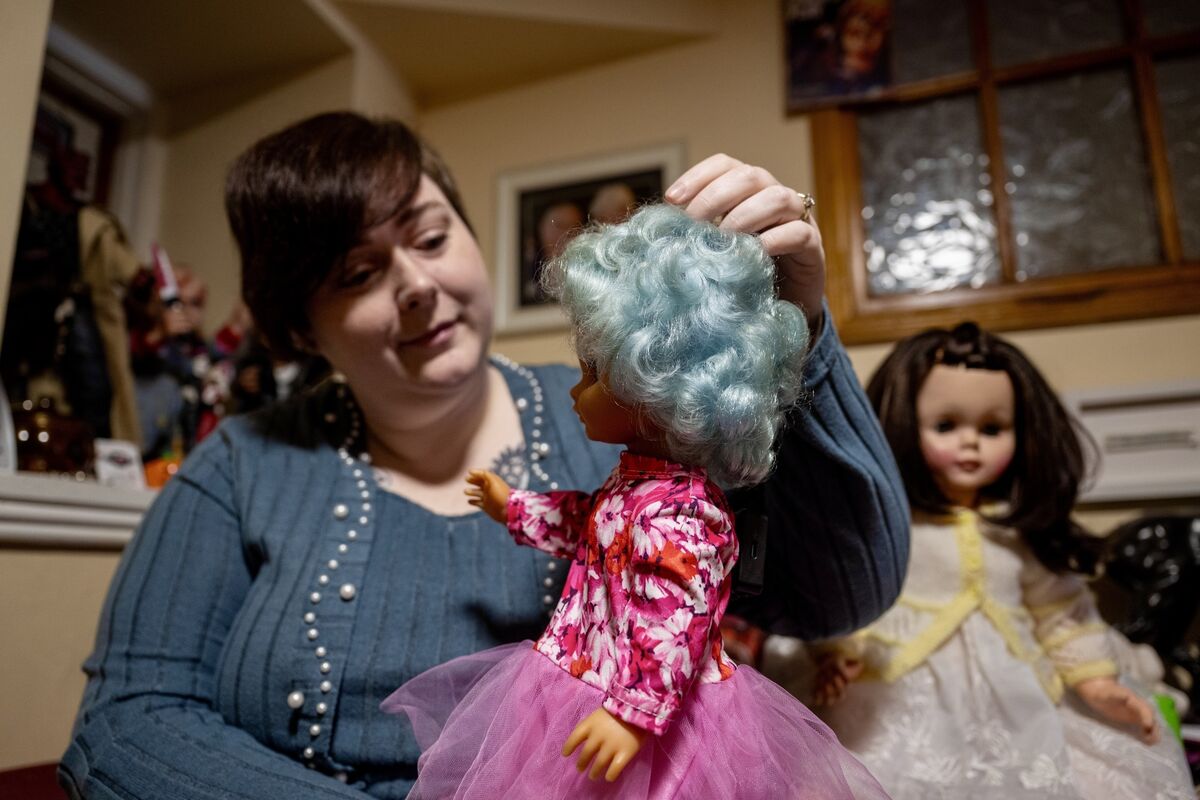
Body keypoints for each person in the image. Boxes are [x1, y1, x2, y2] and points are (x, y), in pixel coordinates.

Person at [59, 112, 908, 799]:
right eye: (357, 272)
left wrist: (802, 331)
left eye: (430, 238)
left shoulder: (642, 415)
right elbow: (126, 725)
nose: (416, 283)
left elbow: (839, 596)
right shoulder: (239, 467)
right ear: (295, 328)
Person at [382, 205, 888, 799]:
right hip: (579, 676)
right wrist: (513, 506)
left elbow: (678, 618)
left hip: (648, 706)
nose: (575, 389)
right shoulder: (633, 485)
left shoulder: (684, 512)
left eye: (594, 374)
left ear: (656, 389)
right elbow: (587, 525)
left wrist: (633, 712)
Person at [811, 322, 1193, 800]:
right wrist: (838, 653)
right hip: (901, 682)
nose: (971, 443)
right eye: (947, 425)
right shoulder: (890, 523)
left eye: (992, 428)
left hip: (1017, 687)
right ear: (904, 427)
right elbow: (860, 590)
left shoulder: (1016, 533)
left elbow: (1061, 611)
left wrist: (1096, 682)